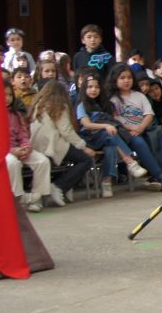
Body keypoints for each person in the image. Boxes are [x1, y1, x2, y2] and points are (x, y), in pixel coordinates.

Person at [76, 73, 150, 198]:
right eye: (90, 87)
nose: (93, 90)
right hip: (90, 139)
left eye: (97, 87)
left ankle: (107, 181)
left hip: (107, 138)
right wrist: (105, 126)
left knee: (110, 147)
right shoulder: (81, 105)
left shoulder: (105, 104)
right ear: (84, 89)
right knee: (109, 133)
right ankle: (129, 161)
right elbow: (87, 124)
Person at [29, 77, 95, 206]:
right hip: (52, 144)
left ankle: (63, 188)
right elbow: (66, 131)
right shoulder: (59, 105)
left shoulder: (37, 104)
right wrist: (83, 146)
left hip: (36, 145)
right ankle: (59, 186)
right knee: (85, 160)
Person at [107, 64, 162, 190]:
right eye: (122, 78)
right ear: (115, 80)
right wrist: (133, 128)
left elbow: (149, 114)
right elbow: (116, 119)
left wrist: (141, 127)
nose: (126, 81)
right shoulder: (113, 99)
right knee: (139, 142)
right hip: (127, 132)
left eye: (129, 77)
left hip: (145, 129)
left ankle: (154, 177)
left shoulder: (139, 95)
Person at [5, 79, 51, 213]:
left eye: (9, 95)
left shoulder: (16, 115)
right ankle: (19, 197)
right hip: (3, 151)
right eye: (3, 95)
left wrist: (26, 147)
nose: (7, 98)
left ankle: (36, 198)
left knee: (42, 161)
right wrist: (13, 151)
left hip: (19, 148)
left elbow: (23, 134)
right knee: (12, 163)